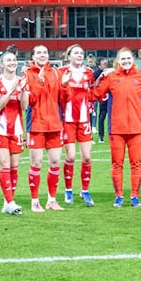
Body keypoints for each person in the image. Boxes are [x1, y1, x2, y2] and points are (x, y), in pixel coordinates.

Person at [92, 47, 141, 206]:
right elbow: (95, 94)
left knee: (136, 163)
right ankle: (118, 196)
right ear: (118, 61)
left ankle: (134, 196)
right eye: (123, 59)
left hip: (136, 128)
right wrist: (97, 79)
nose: (126, 61)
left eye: (128, 59)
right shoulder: (111, 77)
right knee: (117, 163)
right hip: (117, 128)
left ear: (133, 60)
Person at [23, 44, 66, 211]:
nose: (42, 55)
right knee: (37, 162)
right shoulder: (27, 74)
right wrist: (40, 83)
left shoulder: (55, 73)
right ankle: (35, 201)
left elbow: (62, 99)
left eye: (45, 52)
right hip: (36, 123)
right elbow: (29, 102)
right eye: (39, 53)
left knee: (55, 162)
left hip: (54, 124)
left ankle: (52, 200)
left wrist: (65, 87)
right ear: (33, 57)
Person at [0, 48, 26, 215]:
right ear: (2, 64)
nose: (12, 63)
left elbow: (24, 106)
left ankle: (7, 202)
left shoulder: (22, 81)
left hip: (16, 128)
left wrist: (23, 90)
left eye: (14, 60)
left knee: (14, 166)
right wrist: (12, 90)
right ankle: (10, 202)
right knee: (5, 165)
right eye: (8, 60)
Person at [59, 44, 96, 206]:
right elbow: (58, 94)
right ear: (69, 56)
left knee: (87, 157)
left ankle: (85, 190)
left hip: (84, 120)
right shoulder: (61, 72)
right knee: (71, 156)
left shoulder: (89, 73)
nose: (79, 55)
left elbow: (92, 93)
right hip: (67, 120)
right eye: (76, 53)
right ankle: (68, 190)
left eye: (81, 53)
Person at [94, 58, 111, 142]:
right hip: (103, 99)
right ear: (99, 66)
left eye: (106, 63)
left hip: (112, 98)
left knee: (114, 118)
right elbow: (94, 85)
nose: (106, 65)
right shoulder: (97, 73)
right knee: (101, 118)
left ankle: (114, 134)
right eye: (104, 64)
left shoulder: (112, 72)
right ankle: (101, 136)